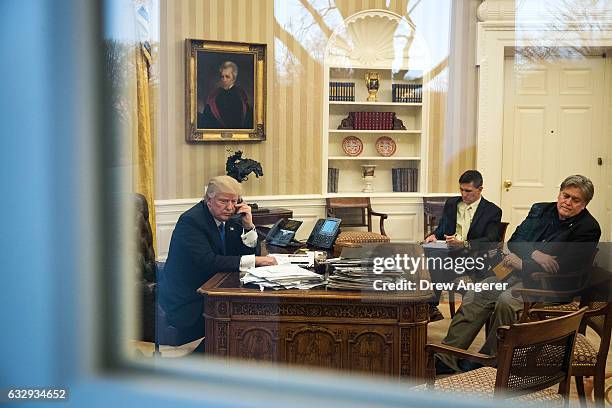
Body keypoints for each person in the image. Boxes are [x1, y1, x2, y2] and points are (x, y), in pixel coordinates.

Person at [436, 174, 601, 374]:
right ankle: (447, 357)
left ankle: (489, 361)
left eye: (575, 200)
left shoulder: (588, 228)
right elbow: (516, 240)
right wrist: (535, 254)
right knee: (475, 294)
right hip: (512, 271)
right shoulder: (540, 209)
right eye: (565, 195)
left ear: (584, 204)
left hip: (549, 284)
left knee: (506, 301)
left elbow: (563, 266)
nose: (567, 202)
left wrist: (524, 263)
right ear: (559, 193)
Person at [159, 175, 277, 348]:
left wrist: (249, 227)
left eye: (234, 201)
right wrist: (256, 260)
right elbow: (209, 261)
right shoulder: (192, 221)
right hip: (187, 301)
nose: (229, 207)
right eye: (223, 201)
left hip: (212, 292)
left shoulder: (230, 220)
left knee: (250, 313)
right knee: (242, 318)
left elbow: (242, 253)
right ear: (208, 199)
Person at [423, 170, 502, 321]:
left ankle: (430, 307)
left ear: (480, 190)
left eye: (468, 191)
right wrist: (433, 236)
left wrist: (464, 244)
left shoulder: (493, 211)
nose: (464, 194)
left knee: (434, 262)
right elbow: (442, 228)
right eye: (461, 190)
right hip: (450, 254)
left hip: (474, 258)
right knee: (427, 258)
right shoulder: (452, 203)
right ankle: (427, 308)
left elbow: (492, 239)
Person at [198, 61, 254, 129]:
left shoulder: (241, 95)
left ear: (234, 78)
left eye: (227, 77)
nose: (224, 80)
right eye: (222, 77)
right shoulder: (214, 95)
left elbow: (247, 119)